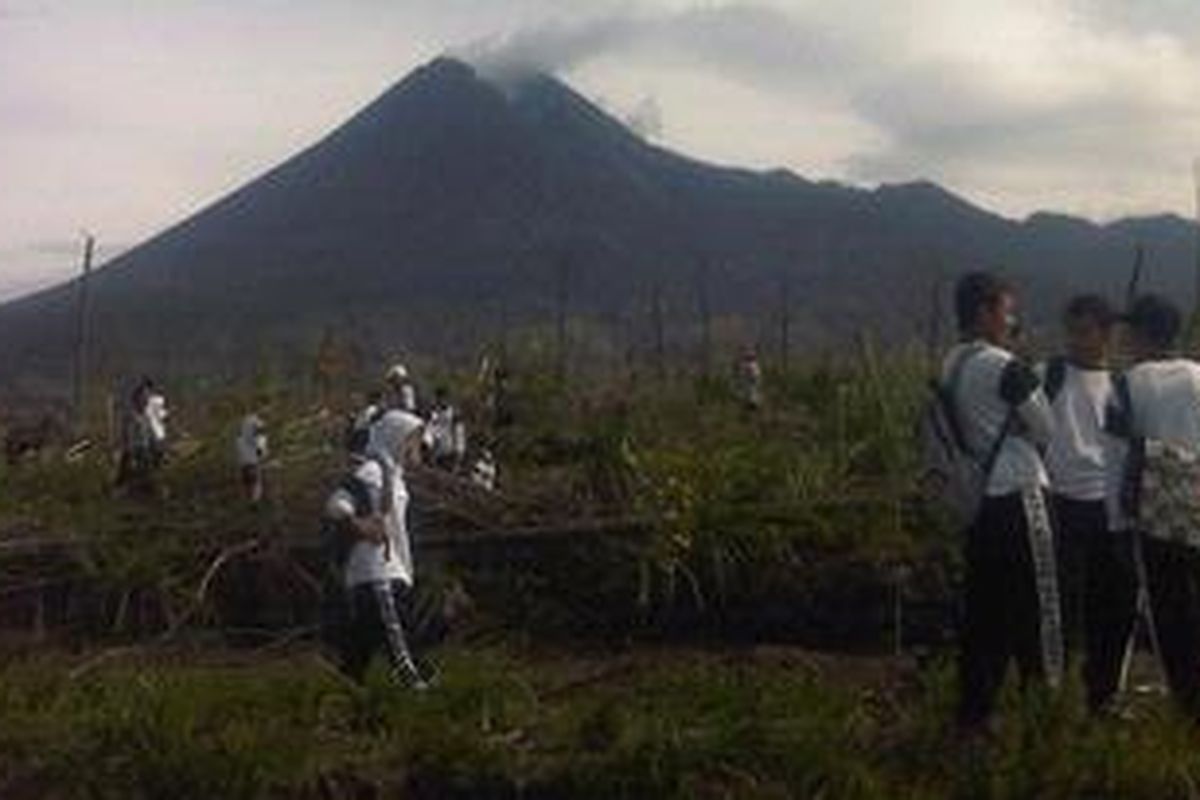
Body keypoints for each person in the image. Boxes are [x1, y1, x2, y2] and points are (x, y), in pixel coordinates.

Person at [945, 271, 1061, 733]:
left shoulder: (951, 361)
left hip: (978, 502)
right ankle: (1044, 712)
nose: (1011, 321)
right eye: (1006, 311)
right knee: (1040, 607)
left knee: (985, 613)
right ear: (984, 313)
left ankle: (974, 715)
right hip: (1021, 496)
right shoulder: (1004, 366)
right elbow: (1047, 428)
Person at [1104, 294, 1200, 719]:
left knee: (1171, 610)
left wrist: (1117, 523)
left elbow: (1115, 460)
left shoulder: (1126, 384)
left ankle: (1190, 703)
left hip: (1156, 517)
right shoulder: (1199, 376)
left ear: (1140, 334)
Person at [1040, 295, 1136, 713]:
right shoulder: (1049, 375)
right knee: (1059, 606)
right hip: (1061, 503)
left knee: (1112, 607)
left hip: (1109, 508)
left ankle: (1102, 695)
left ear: (1107, 334)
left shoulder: (1123, 386)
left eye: (1086, 331)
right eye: (1072, 331)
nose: (1077, 340)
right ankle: (1051, 696)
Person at [323, 408, 430, 688]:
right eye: (413, 440)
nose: (418, 447)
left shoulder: (394, 477)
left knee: (356, 662)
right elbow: (337, 504)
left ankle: (347, 709)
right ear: (397, 438)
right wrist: (360, 525)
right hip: (379, 576)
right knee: (403, 654)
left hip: (376, 576)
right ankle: (424, 704)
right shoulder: (374, 471)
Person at [234, 413, 269, 504]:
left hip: (244, 465)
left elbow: (239, 453)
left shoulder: (239, 440)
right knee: (255, 485)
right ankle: (254, 503)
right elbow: (262, 453)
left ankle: (249, 502)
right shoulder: (258, 440)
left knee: (248, 485)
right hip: (253, 464)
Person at [734, 346, 763, 411]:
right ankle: (751, 404)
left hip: (751, 379)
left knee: (751, 392)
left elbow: (753, 373)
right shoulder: (750, 364)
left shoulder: (751, 364)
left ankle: (752, 404)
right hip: (750, 379)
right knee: (750, 392)